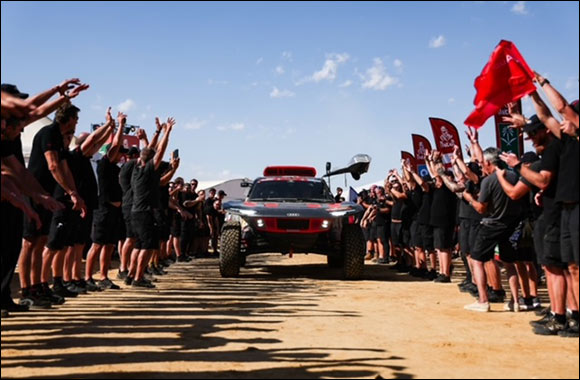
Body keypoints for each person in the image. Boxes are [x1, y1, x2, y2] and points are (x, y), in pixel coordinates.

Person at [463, 147, 521, 312]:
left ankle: (483, 300)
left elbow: (481, 208)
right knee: (509, 263)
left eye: (483, 164)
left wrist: (469, 199)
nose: (481, 167)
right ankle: (515, 301)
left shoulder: (489, 181)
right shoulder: (513, 176)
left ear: (488, 162)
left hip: (491, 225)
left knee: (477, 260)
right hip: (510, 225)